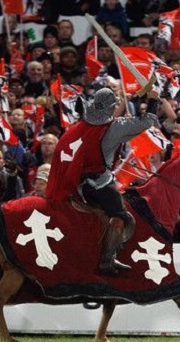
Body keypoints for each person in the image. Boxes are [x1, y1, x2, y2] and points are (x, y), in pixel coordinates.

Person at [47, 87, 161, 275]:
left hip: (78, 183)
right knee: (122, 216)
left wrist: (138, 94)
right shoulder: (115, 127)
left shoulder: (83, 122)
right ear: (110, 108)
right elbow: (147, 121)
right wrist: (153, 101)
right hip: (99, 182)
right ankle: (108, 260)